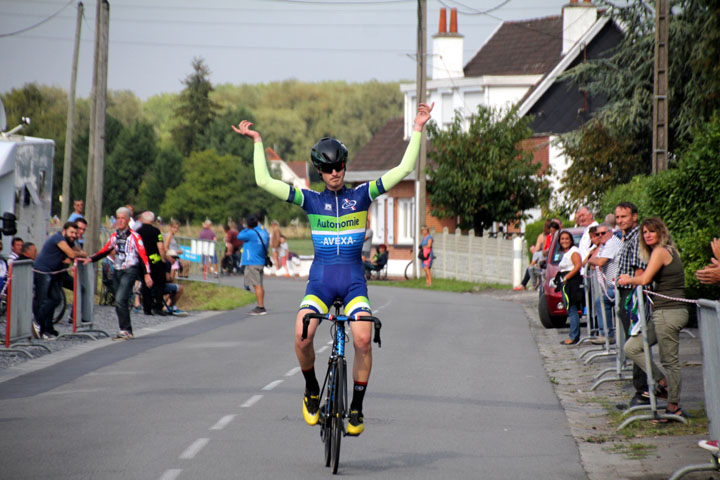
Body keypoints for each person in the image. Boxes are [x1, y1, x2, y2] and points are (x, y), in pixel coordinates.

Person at [232, 101, 434, 436]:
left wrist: (417, 129)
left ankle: (356, 408)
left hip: (354, 282)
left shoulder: (362, 196)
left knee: (364, 339)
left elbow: (402, 170)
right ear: (320, 173)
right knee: (302, 335)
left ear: (344, 166)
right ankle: (312, 390)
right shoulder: (311, 200)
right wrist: (256, 141)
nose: (335, 172)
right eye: (328, 169)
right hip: (321, 282)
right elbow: (265, 182)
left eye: (339, 166)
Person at [618, 217, 688, 419]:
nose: (647, 235)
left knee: (669, 360)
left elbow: (645, 279)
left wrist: (627, 279)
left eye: (651, 231)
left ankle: (673, 407)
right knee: (632, 347)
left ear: (661, 233)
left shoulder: (661, 251)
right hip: (661, 312)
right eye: (644, 232)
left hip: (670, 312)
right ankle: (662, 383)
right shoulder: (661, 251)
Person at [82, 207, 153, 341]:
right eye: (118, 218)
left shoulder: (135, 236)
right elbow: (105, 250)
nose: (120, 221)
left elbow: (143, 256)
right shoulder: (114, 236)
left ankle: (125, 330)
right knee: (119, 301)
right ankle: (126, 329)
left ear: (127, 220)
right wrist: (91, 259)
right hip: (117, 270)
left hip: (130, 270)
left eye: (123, 218)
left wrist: (147, 274)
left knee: (121, 299)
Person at [614, 202, 650, 407]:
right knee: (632, 341)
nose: (620, 221)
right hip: (625, 292)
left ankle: (643, 392)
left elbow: (639, 270)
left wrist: (633, 295)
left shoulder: (637, 238)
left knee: (635, 343)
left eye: (624, 217)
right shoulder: (627, 237)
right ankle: (642, 391)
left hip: (632, 295)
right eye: (617, 217)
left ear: (634, 217)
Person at [32, 222, 86, 339]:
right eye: (71, 232)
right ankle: (38, 322)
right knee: (43, 300)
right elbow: (73, 254)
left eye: (76, 233)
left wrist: (73, 254)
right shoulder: (58, 238)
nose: (74, 235)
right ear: (64, 230)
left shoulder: (69, 241)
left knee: (55, 299)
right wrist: (73, 254)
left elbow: (84, 254)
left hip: (53, 273)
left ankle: (46, 328)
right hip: (42, 271)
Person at [587, 224, 622, 344]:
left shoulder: (612, 243)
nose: (600, 236)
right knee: (601, 300)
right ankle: (607, 333)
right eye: (598, 234)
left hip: (620, 285)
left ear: (610, 232)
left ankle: (607, 334)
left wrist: (591, 259)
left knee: (601, 301)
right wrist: (593, 260)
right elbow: (595, 261)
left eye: (603, 233)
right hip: (612, 284)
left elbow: (600, 261)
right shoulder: (604, 245)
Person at [236, 215, 269, 315]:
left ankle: (260, 307)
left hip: (252, 262)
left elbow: (239, 236)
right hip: (260, 260)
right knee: (260, 285)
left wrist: (246, 228)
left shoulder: (250, 233)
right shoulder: (264, 232)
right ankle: (261, 305)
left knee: (256, 285)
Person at [136, 211, 167, 316]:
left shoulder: (137, 231)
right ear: (152, 220)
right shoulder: (156, 231)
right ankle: (158, 306)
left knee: (146, 284)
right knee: (160, 282)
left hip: (142, 262)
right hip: (155, 260)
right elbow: (161, 247)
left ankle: (147, 308)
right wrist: (163, 260)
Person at [556, 230, 583, 345]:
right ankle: (573, 335)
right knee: (570, 309)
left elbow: (577, 266)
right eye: (562, 239)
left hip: (571, 283)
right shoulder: (566, 252)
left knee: (572, 310)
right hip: (566, 282)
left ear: (571, 240)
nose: (564, 241)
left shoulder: (574, 252)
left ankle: (573, 336)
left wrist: (566, 278)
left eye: (567, 239)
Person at [163, 249, 188, 316]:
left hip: (158, 285)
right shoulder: (167, 263)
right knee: (180, 288)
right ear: (168, 256)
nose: (174, 260)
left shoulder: (166, 262)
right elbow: (167, 278)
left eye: (176, 258)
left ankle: (168, 306)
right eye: (173, 257)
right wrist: (171, 277)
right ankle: (170, 306)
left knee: (173, 287)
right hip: (160, 286)